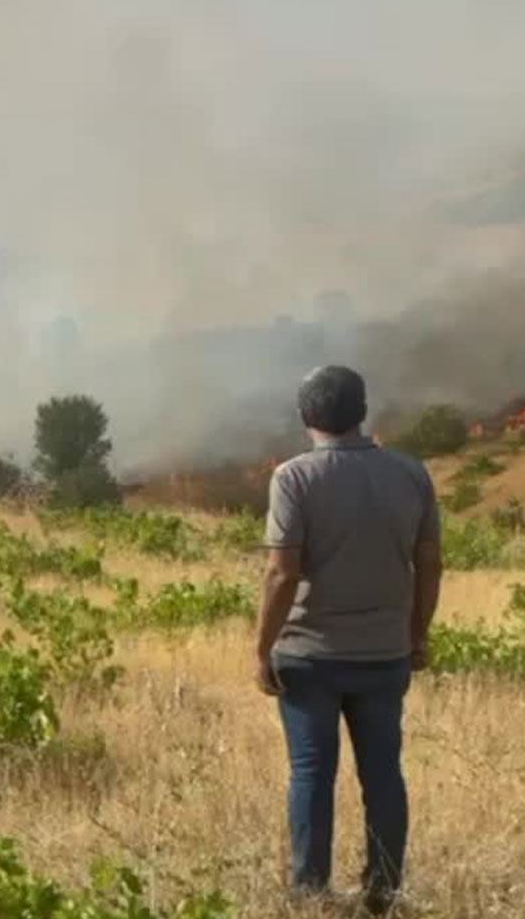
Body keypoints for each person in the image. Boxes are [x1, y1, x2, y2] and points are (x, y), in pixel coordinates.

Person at [255, 366, 443, 915]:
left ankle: (311, 892)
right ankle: (384, 889)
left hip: (309, 656)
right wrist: (417, 634)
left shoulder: (293, 478)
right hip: (385, 654)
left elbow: (281, 574)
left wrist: (260, 648)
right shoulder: (411, 473)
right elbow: (429, 560)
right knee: (384, 772)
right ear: (362, 411)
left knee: (312, 773)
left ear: (306, 416)